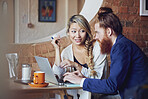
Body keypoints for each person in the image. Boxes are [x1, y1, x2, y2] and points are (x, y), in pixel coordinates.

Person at [63, 7, 148, 99]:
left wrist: (81, 81)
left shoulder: (120, 47)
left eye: (97, 32)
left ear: (108, 32)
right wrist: (84, 78)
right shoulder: (121, 44)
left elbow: (112, 86)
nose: (95, 37)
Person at [51, 14, 108, 99]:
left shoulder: (98, 48)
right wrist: (57, 49)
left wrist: (76, 65)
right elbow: (57, 75)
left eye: (82, 31)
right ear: (68, 33)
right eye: (73, 31)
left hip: (97, 95)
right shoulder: (66, 52)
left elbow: (97, 78)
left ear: (87, 32)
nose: (77, 36)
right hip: (76, 95)